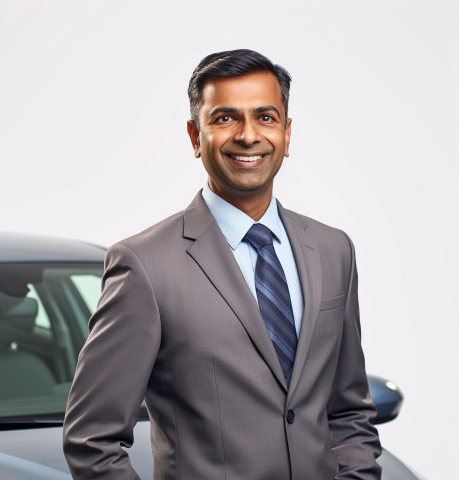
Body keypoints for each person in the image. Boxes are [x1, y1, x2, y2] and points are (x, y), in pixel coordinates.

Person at [63, 49, 382, 480]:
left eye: (266, 117)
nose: (248, 136)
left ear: (287, 134)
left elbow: (348, 411)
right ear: (196, 137)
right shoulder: (145, 266)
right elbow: (92, 440)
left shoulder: (332, 250)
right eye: (225, 118)